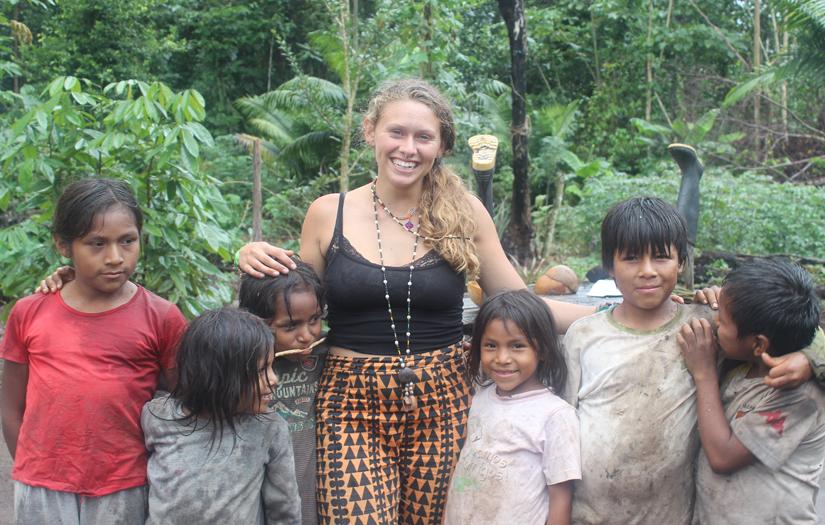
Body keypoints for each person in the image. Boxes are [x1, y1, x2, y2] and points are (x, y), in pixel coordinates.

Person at [236, 78, 596, 525]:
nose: (408, 148)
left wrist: (610, 315)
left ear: (441, 145)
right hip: (351, 402)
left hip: (444, 398)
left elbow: (517, 301)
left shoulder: (463, 212)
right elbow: (297, 301)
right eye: (396, 132)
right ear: (370, 132)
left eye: (423, 137)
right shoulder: (330, 212)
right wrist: (248, 255)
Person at [561, 196, 819, 525]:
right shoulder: (584, 336)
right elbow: (562, 432)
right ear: (609, 266)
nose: (647, 271)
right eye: (630, 258)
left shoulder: (707, 326)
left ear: (681, 261)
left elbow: (788, 328)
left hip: (671, 514)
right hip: (590, 513)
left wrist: (809, 358)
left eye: (661, 257)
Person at [0, 178, 187, 525]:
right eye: (96, 244)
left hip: (127, 486)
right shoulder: (29, 312)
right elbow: (11, 406)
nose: (115, 257)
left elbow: (183, 405)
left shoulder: (162, 317)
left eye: (127, 241)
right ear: (63, 245)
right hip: (42, 488)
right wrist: (28, 470)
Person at [678, 258, 825, 525]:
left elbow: (723, 457)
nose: (715, 324)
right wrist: (713, 302)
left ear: (758, 344)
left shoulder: (799, 393)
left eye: (721, 322)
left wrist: (704, 372)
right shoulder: (745, 364)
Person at [141, 307, 301, 524]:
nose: (274, 379)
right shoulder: (159, 417)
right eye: (261, 370)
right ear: (218, 376)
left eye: (271, 367)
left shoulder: (269, 428)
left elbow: (285, 509)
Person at [444, 290, 580, 525]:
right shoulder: (480, 398)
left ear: (544, 351)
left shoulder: (555, 416)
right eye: (490, 345)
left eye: (517, 346)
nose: (502, 358)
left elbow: (561, 495)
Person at [238, 257, 327, 525]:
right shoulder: (243, 369)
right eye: (290, 326)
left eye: (314, 320)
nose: (307, 335)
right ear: (257, 323)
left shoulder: (327, 354)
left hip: (311, 486)